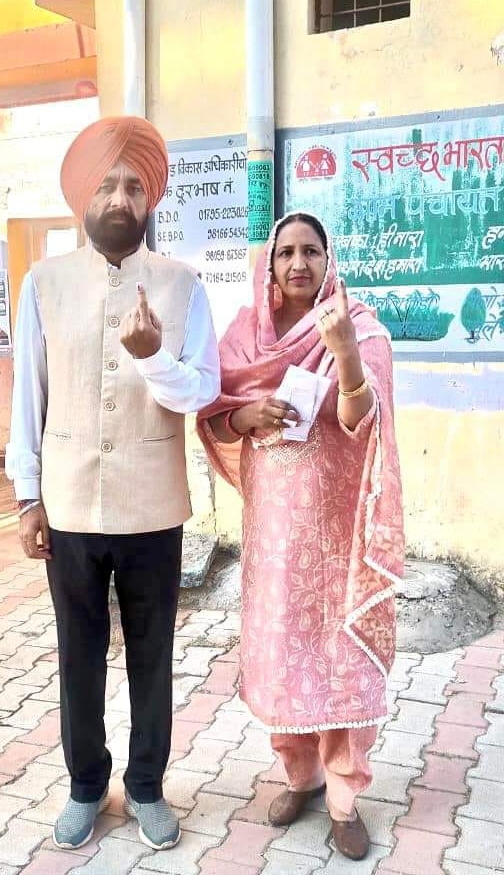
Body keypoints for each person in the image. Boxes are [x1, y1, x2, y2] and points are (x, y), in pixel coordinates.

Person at [6, 116, 220, 853]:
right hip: (68, 501)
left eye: (133, 183)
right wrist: (27, 495)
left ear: (150, 195)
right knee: (79, 651)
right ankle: (87, 784)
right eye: (106, 183)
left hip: (152, 501)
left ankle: (150, 786)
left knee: (154, 653)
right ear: (83, 197)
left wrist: (155, 357)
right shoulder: (43, 283)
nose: (120, 196)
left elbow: (201, 392)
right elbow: (28, 395)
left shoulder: (184, 285)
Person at [198, 212, 404, 861]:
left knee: (339, 657)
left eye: (310, 251)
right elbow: (213, 420)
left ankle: (344, 795)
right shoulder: (243, 336)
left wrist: (343, 354)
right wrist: (243, 411)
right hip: (274, 536)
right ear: (269, 264)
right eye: (285, 251)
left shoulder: (360, 327)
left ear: (327, 258)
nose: (297, 263)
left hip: (339, 532)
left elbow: (360, 421)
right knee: (283, 647)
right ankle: (300, 775)